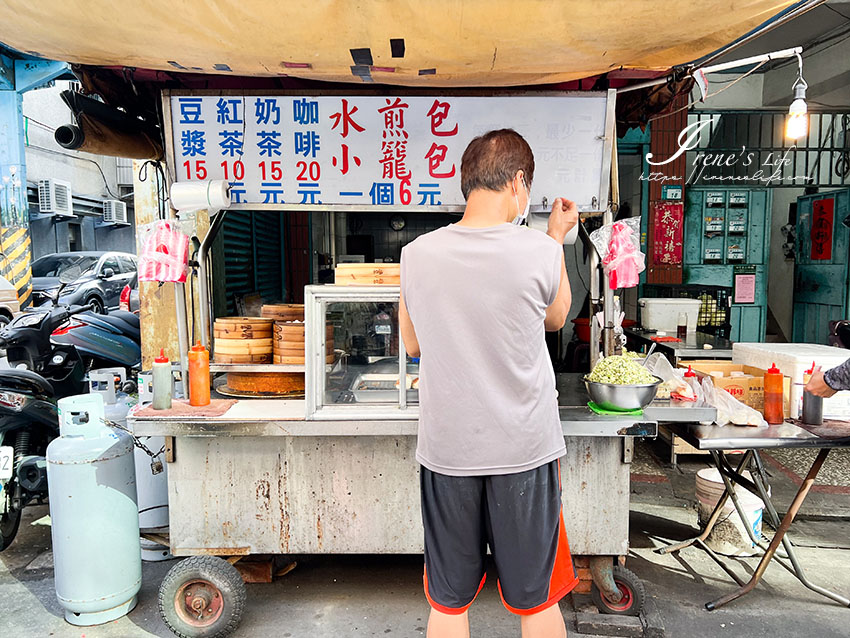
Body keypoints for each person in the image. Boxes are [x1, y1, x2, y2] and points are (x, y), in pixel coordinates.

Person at [399, 129, 579, 638]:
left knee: (450, 603)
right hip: (523, 450)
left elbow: (412, 345)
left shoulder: (416, 254)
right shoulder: (540, 252)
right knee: (537, 601)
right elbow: (556, 317)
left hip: (448, 452)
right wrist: (555, 237)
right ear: (519, 184)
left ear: (468, 183)